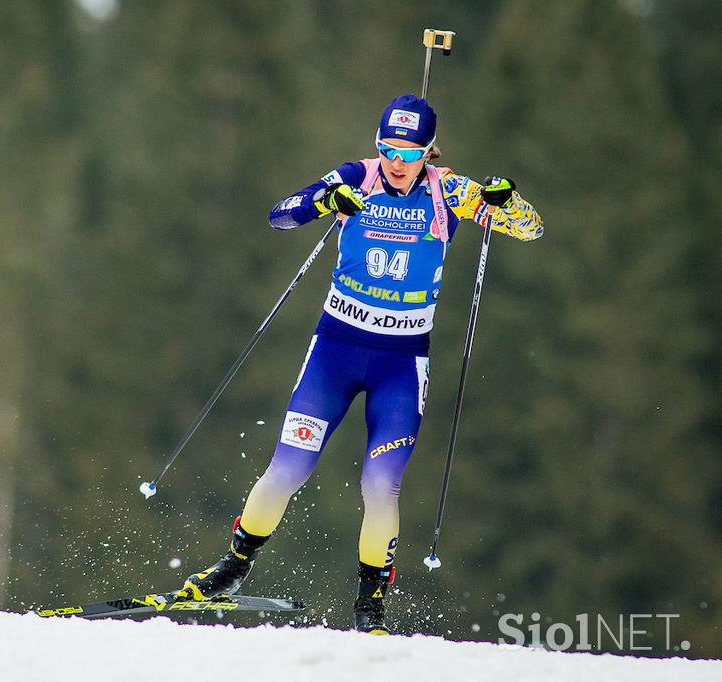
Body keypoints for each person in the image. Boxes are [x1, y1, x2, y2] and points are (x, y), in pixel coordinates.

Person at [175, 94, 544, 635]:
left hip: (400, 362)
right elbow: (280, 215)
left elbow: (530, 227)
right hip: (336, 352)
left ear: (428, 152)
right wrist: (326, 203)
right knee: (288, 468)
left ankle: (370, 606)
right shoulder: (356, 178)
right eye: (388, 148)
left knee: (380, 485)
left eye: (410, 151)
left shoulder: (450, 191)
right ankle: (231, 569)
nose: (397, 161)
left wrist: (508, 203)